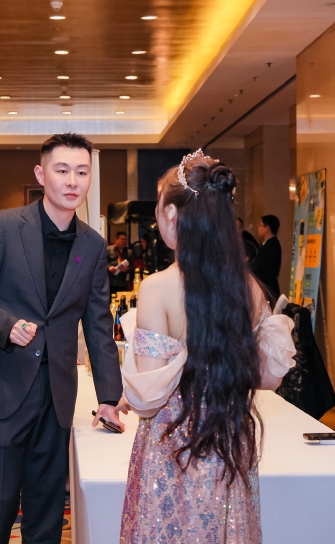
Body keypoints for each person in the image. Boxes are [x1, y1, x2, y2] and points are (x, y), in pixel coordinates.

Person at [117, 150, 296, 543]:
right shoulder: (248, 288)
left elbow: (148, 397)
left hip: (172, 447)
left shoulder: (157, 288)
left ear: (170, 214)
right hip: (228, 439)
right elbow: (269, 377)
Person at [0, 132, 123, 544]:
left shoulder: (92, 244)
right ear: (40, 173)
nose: (72, 181)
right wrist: (5, 323)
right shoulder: (3, 226)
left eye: (81, 172)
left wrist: (108, 396)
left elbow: (98, 323)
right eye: (62, 170)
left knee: (47, 506)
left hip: (57, 392)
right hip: (3, 385)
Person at [251, 214, 281, 300]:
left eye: (260, 225)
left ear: (267, 229)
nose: (258, 228)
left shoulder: (272, 246)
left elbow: (261, 268)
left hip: (268, 289)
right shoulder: (267, 244)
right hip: (265, 287)